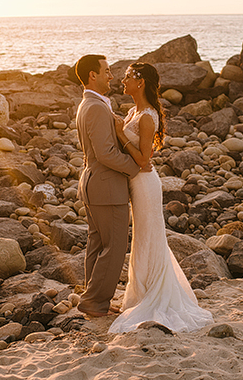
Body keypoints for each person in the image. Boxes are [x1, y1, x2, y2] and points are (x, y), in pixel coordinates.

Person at [108, 62, 214, 333]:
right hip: (135, 183)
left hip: (145, 184)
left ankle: (150, 295)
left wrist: (121, 134)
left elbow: (144, 160)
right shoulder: (134, 111)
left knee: (148, 236)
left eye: (127, 77)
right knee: (143, 237)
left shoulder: (146, 116)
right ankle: (141, 293)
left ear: (140, 82)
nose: (123, 80)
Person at [74, 54, 142, 317]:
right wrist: (135, 168)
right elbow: (105, 153)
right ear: (93, 75)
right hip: (106, 186)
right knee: (113, 248)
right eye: (106, 71)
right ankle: (94, 301)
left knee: (97, 245)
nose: (111, 76)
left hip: (94, 185)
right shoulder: (95, 107)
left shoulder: (89, 104)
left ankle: (95, 300)